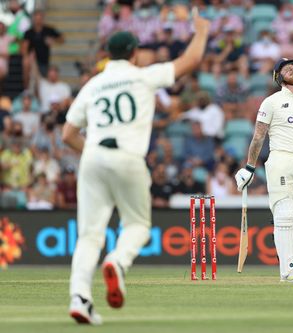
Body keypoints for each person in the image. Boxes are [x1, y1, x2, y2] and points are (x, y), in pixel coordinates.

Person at [62, 9, 210, 325]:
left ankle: (80, 298)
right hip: (128, 157)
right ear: (133, 53)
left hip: (93, 157)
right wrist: (201, 31)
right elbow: (190, 62)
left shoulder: (93, 84)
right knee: (138, 226)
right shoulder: (143, 75)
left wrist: (93, 151)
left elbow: (67, 134)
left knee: (89, 235)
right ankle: (117, 261)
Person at [234, 58, 293, 282]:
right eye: (284, 69)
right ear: (278, 77)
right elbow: (258, 136)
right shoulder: (271, 102)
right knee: (285, 214)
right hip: (280, 160)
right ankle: (289, 269)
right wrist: (249, 167)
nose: (291, 69)